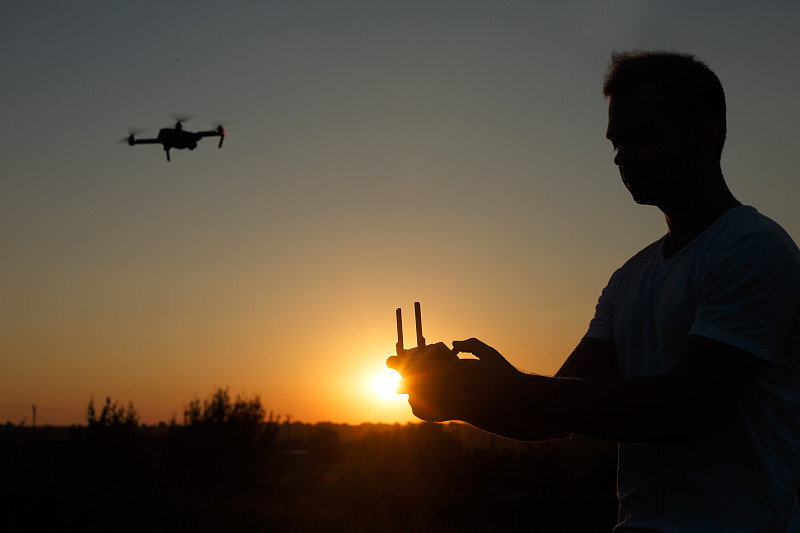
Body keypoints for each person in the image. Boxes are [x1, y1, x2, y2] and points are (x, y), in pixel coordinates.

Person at [387, 50, 800, 532]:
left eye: (641, 137)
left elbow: (688, 410)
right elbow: (552, 416)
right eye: (615, 142)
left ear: (705, 134)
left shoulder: (752, 249)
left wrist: (511, 388)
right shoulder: (630, 277)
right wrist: (455, 398)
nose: (622, 156)